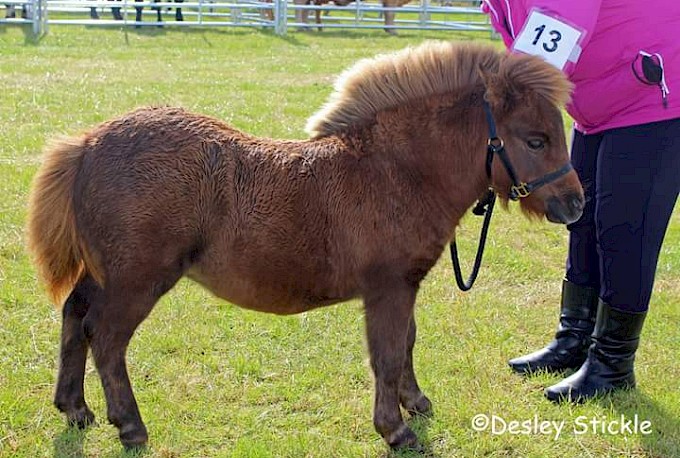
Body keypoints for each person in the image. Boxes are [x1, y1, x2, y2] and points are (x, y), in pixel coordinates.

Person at [481, 0, 680, 402]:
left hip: (654, 99)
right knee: (584, 223)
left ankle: (612, 364)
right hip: (601, 104)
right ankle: (574, 339)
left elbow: (544, 48)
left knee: (625, 230)